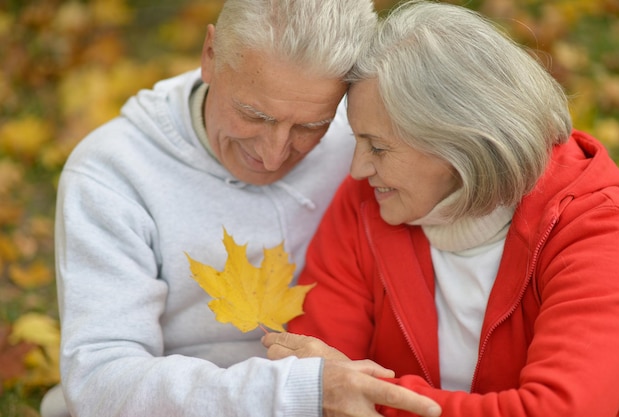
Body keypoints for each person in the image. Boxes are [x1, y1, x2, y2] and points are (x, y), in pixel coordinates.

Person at [42, 1, 443, 417]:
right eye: (253, 115)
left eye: (310, 127)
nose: (273, 156)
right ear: (210, 55)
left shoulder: (363, 139)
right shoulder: (114, 173)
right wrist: (294, 393)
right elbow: (99, 383)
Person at [263, 1, 619, 416]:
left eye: (378, 147)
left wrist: (368, 398)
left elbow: (560, 410)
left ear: (461, 145)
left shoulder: (595, 230)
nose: (358, 168)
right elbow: (315, 383)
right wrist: (334, 389)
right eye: (357, 141)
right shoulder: (365, 204)